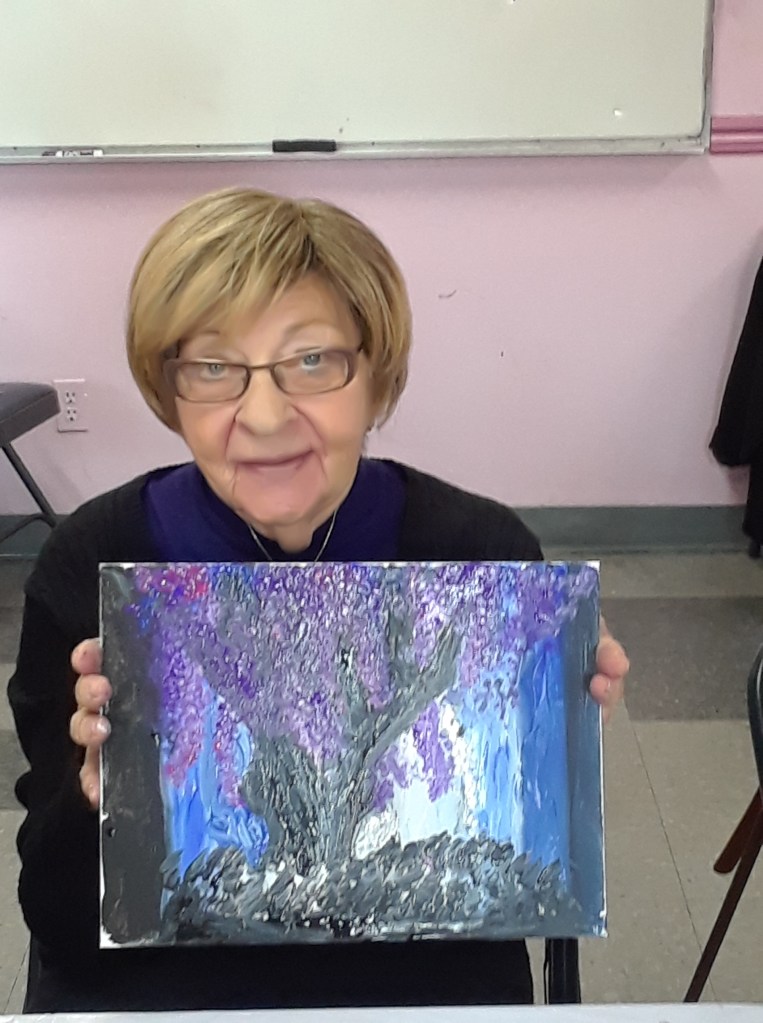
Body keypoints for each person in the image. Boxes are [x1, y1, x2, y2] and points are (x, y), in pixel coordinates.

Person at [8, 187, 628, 1013]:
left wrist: (553, 718)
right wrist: (95, 797)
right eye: (214, 367)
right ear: (169, 387)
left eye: (311, 361)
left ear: (375, 375)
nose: (264, 416)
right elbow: (55, 922)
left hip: (414, 992)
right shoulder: (89, 563)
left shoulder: (479, 553)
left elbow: (504, 907)